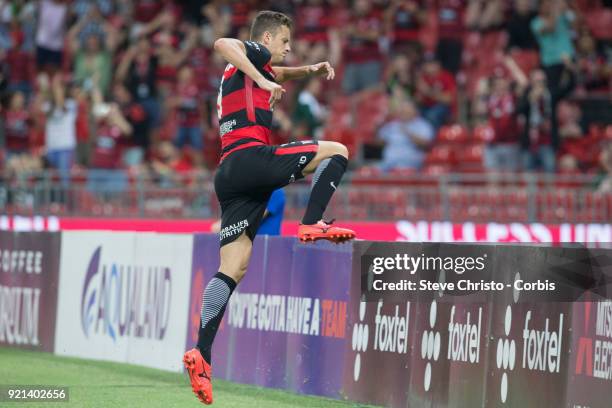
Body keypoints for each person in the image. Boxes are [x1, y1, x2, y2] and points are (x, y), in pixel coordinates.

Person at [182, 11, 355, 405]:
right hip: (251, 158)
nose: (287, 49)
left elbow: (278, 71)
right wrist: (263, 77)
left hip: (229, 174)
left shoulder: (251, 69)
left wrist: (308, 69)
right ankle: (311, 224)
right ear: (268, 38)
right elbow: (222, 45)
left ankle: (202, 353)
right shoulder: (251, 56)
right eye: (285, 43)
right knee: (338, 151)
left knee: (233, 267)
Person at [376, 98, 434, 171]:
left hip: (411, 163)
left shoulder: (423, 125)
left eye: (406, 109)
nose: (403, 111)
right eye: (402, 109)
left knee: (399, 171)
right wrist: (377, 128)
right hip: (389, 162)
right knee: (370, 173)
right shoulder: (392, 125)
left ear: (415, 111)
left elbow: (426, 144)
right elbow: (379, 142)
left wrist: (408, 133)